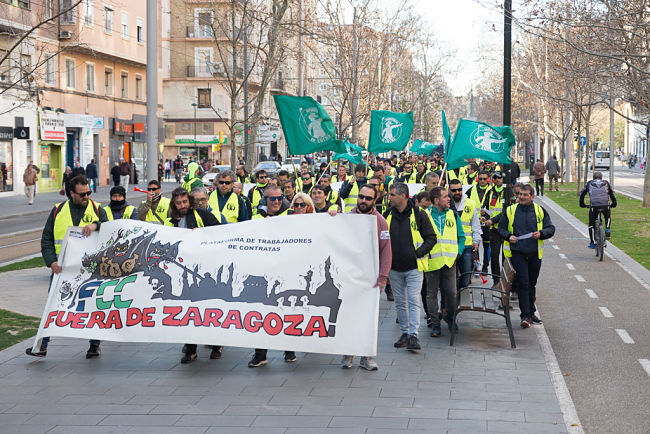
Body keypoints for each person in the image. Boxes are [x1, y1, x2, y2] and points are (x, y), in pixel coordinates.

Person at [27, 175, 108, 358]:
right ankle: (42, 346)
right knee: (52, 306)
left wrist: (96, 225)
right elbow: (47, 239)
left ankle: (94, 345)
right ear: (71, 194)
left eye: (88, 192)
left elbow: (110, 229)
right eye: (82, 194)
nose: (86, 196)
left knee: (92, 306)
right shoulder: (57, 210)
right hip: (62, 269)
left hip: (90, 270)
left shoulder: (97, 209)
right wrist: (51, 262)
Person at [163, 187, 226, 363]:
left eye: (185, 202)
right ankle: (191, 350)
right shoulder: (171, 221)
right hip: (183, 274)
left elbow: (219, 232)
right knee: (188, 311)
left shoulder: (202, 215)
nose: (182, 205)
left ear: (190, 201)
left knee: (210, 308)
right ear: (174, 204)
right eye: (178, 203)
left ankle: (217, 344)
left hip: (206, 271)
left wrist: (202, 234)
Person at [340, 184, 392, 371]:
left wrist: (382, 278)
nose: (363, 201)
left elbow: (386, 251)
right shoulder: (347, 217)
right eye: (361, 197)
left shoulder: (381, 221)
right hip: (349, 278)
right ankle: (348, 353)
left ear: (375, 200)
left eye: (368, 198)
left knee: (368, 319)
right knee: (348, 317)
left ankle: (367, 357)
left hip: (371, 280)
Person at [384, 183, 436, 352]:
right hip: (394, 268)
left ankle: (414, 335)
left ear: (403, 196)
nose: (389, 197)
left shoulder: (419, 215)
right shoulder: (387, 215)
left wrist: (418, 253)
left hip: (414, 267)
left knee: (413, 300)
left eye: (392, 195)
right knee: (400, 302)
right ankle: (405, 333)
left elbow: (431, 238)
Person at [249, 184, 296, 367]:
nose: (276, 202)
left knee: (287, 312)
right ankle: (260, 354)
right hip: (262, 275)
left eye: (279, 198)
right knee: (262, 314)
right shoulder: (255, 218)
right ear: (265, 200)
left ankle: (289, 351)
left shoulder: (292, 216)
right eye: (272, 198)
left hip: (286, 274)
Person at [499, 184, 555, 328]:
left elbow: (551, 228)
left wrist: (541, 233)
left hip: (535, 253)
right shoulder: (510, 210)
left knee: (531, 284)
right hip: (517, 253)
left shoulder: (539, 211)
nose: (521, 197)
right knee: (523, 283)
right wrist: (508, 236)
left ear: (532, 197)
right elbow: (501, 228)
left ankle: (531, 313)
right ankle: (525, 316)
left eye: (525, 195)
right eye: (520, 194)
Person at [425, 186, 465, 337]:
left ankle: (450, 317)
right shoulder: (425, 215)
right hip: (432, 263)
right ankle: (435, 324)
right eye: (445, 196)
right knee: (431, 295)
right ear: (436, 200)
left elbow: (461, 237)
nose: (449, 199)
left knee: (452, 293)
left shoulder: (453, 215)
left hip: (450, 262)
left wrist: (458, 253)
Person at [448, 179, 481, 291]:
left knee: (466, 272)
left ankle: (462, 288)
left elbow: (475, 225)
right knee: (450, 277)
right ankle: (454, 294)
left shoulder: (470, 204)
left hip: (467, 245)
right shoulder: (445, 204)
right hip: (450, 245)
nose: (457, 192)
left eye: (459, 189)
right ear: (449, 190)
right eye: (454, 190)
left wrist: (476, 241)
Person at [579, 171, 617, 248]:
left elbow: (582, 194)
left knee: (591, 224)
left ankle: (592, 242)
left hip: (594, 206)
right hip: (606, 205)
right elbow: (612, 194)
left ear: (593, 178)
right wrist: (614, 204)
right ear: (601, 177)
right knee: (608, 217)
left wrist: (582, 204)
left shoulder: (589, 183)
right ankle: (607, 229)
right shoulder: (606, 183)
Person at [466, 171, 492, 274]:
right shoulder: (471, 190)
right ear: (477, 179)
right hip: (475, 222)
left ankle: (485, 266)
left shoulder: (491, 191)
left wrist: (486, 216)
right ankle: (476, 266)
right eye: (480, 179)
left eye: (484, 179)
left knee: (486, 245)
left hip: (487, 223)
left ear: (488, 179)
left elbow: (494, 208)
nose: (482, 181)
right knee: (475, 245)